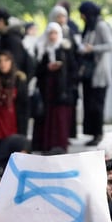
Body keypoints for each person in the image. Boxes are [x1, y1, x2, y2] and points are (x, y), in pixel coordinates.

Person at [34, 22, 80, 152]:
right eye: (50, 33)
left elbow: (73, 69)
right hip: (47, 91)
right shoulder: (43, 50)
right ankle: (47, 145)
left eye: (55, 33)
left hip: (63, 91)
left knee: (60, 120)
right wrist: (48, 67)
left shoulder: (65, 49)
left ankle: (60, 146)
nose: (53, 36)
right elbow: (38, 71)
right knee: (48, 119)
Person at [79, 1, 112, 146]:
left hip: (99, 73)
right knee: (90, 104)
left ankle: (98, 133)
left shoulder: (101, 25)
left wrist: (92, 48)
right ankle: (93, 133)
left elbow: (110, 45)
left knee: (97, 105)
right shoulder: (90, 27)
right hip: (89, 72)